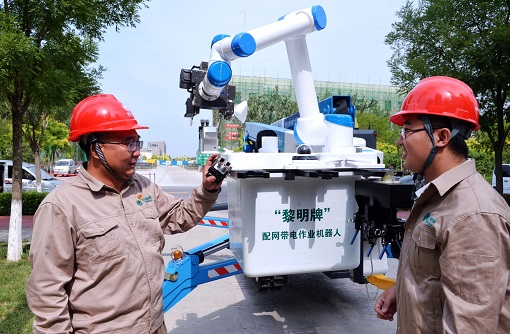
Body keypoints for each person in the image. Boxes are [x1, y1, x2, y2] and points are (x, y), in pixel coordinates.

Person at [26, 94, 224, 333]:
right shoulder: (62, 207)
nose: (137, 152)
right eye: (128, 143)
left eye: (137, 142)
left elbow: (178, 217)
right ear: (96, 149)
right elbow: (48, 294)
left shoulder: (143, 187)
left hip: (154, 326)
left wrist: (206, 190)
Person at [374, 76, 510, 333]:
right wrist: (401, 289)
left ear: (442, 136)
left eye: (407, 130)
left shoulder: (472, 214)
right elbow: (436, 273)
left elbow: (470, 326)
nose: (399, 142)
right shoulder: (437, 198)